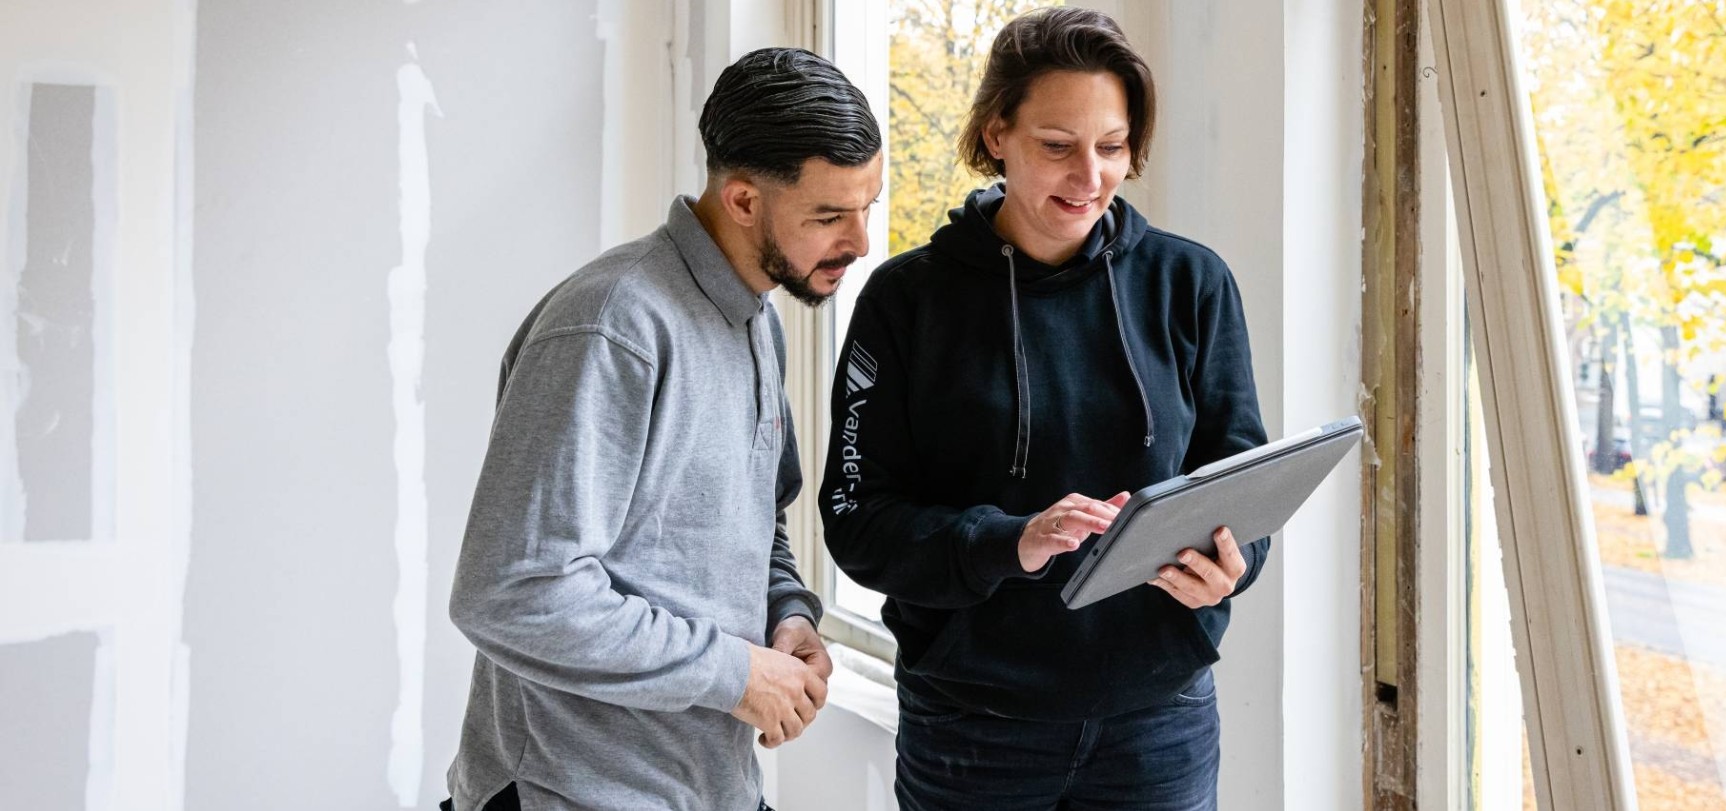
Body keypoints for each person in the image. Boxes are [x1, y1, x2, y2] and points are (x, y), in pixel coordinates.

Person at [819, 8, 1267, 809]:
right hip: (973, 728)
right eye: (1057, 146)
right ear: (997, 133)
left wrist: (1230, 570)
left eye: (1112, 146)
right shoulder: (906, 300)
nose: (1089, 175)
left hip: (1158, 724)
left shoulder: (1192, 286)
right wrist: (1008, 542)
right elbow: (858, 521)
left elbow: (1242, 485)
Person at [443, 47, 882, 811]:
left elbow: (755, 527)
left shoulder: (756, 322)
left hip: (713, 787)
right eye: (829, 214)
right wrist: (737, 673)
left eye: (867, 206)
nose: (861, 239)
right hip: (571, 792)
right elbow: (511, 591)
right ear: (743, 200)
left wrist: (789, 614)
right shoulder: (612, 327)